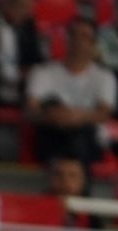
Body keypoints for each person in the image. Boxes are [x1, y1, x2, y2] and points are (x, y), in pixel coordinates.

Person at [25, 17, 116, 170]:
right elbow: (30, 110)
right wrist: (54, 116)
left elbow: (104, 113)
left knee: (80, 136)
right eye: (73, 35)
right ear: (67, 38)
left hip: (88, 137)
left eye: (85, 37)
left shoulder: (105, 77)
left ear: (93, 43)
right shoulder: (42, 72)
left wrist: (74, 117)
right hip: (52, 132)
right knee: (54, 111)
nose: (78, 41)